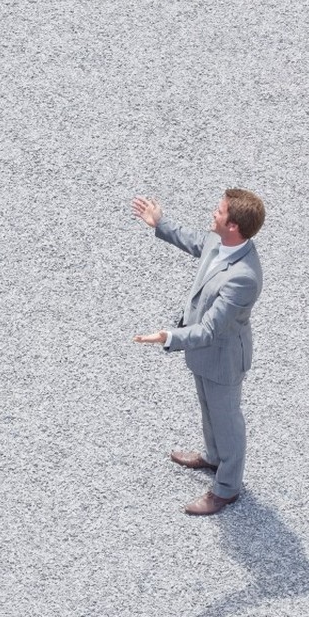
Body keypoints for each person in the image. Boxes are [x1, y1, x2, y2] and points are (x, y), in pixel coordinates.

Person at [131, 191, 266, 516]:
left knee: (227, 420)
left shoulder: (243, 277)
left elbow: (208, 330)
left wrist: (168, 337)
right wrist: (160, 223)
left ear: (233, 225)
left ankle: (227, 488)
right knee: (209, 409)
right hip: (205, 355)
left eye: (218, 211)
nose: (213, 213)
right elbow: (195, 241)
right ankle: (214, 457)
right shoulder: (222, 243)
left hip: (223, 359)